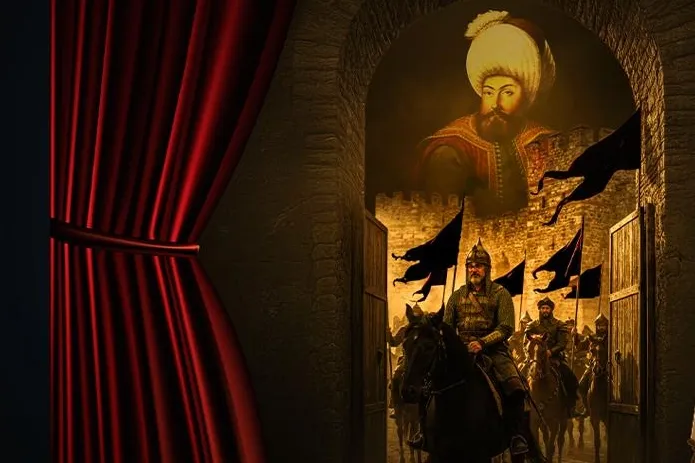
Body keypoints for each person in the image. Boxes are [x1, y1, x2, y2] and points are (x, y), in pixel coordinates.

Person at [416, 10, 557, 217]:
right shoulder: (450, 149)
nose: (495, 104)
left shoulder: (547, 143)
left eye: (507, 92)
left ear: (525, 98)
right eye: (489, 92)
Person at [441, 239, 529, 455]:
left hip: (494, 350)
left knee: (515, 386)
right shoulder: (456, 297)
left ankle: (516, 435)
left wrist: (482, 343)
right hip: (462, 351)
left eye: (478, 266)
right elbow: (447, 327)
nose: (474, 270)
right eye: (471, 266)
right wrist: (457, 346)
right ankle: (426, 430)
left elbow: (506, 327)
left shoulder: (500, 294)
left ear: (487, 269)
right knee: (431, 380)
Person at [524, 297, 581, 417]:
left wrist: (551, 351)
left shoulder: (559, 325)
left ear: (551, 310)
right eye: (543, 308)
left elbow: (562, 343)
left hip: (554, 358)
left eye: (547, 308)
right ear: (539, 309)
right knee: (519, 374)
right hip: (534, 358)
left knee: (570, 377)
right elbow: (525, 344)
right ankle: (521, 406)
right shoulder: (532, 325)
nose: (545, 310)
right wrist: (530, 355)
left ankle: (570, 406)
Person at [387, 304, 425, 418]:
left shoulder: (425, 330)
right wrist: (388, 334)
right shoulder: (404, 330)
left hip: (422, 359)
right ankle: (395, 405)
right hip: (407, 359)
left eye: (418, 317)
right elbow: (394, 342)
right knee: (395, 377)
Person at [576, 313, 609, 404]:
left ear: (606, 326)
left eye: (603, 325)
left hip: (607, 366)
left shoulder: (610, 338)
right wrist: (575, 337)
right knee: (581, 386)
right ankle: (587, 407)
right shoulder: (591, 337)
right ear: (596, 326)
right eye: (599, 326)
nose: (601, 328)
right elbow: (580, 346)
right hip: (593, 366)